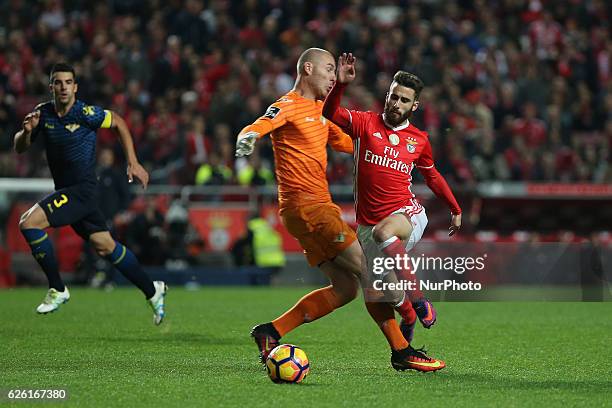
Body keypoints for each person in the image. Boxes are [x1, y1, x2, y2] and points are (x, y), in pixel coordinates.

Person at [237, 48, 433, 373]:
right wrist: (248, 137)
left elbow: (354, 141)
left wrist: (393, 147)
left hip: (301, 212)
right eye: (329, 70)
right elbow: (259, 124)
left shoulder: (319, 113)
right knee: (371, 271)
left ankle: (271, 332)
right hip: (310, 205)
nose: (332, 76)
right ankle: (402, 348)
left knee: (345, 289)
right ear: (309, 69)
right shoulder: (288, 105)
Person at [323, 53, 463, 371]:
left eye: (404, 100)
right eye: (393, 96)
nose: (396, 103)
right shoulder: (364, 122)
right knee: (378, 294)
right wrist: (340, 86)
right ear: (387, 96)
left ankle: (419, 298)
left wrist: (455, 207)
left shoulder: (419, 140)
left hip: (406, 215)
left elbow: (433, 176)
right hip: (368, 227)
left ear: (414, 106)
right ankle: (409, 321)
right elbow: (329, 112)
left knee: (384, 232)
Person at [13, 63, 167, 325]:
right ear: (51, 87)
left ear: (75, 86)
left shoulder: (86, 113)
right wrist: (26, 132)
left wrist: (133, 161)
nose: (63, 87)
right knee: (105, 246)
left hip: (81, 191)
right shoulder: (44, 114)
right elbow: (20, 147)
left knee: (28, 223)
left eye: (68, 82)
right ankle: (153, 291)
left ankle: (57, 288)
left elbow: (118, 121)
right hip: (68, 191)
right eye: (58, 83)